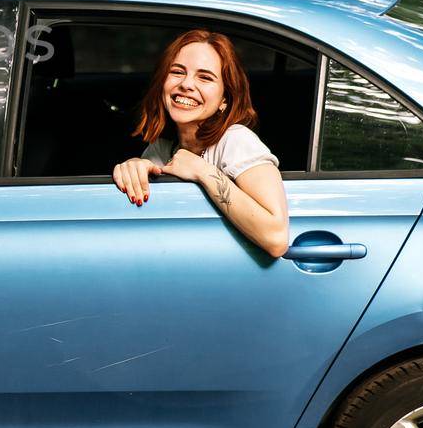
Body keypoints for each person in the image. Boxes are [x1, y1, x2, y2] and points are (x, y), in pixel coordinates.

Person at [110, 29, 290, 258]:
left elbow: (276, 239)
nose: (186, 84)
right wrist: (133, 167)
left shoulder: (236, 140)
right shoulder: (163, 147)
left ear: (225, 98)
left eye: (205, 77)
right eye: (177, 72)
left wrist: (202, 171)